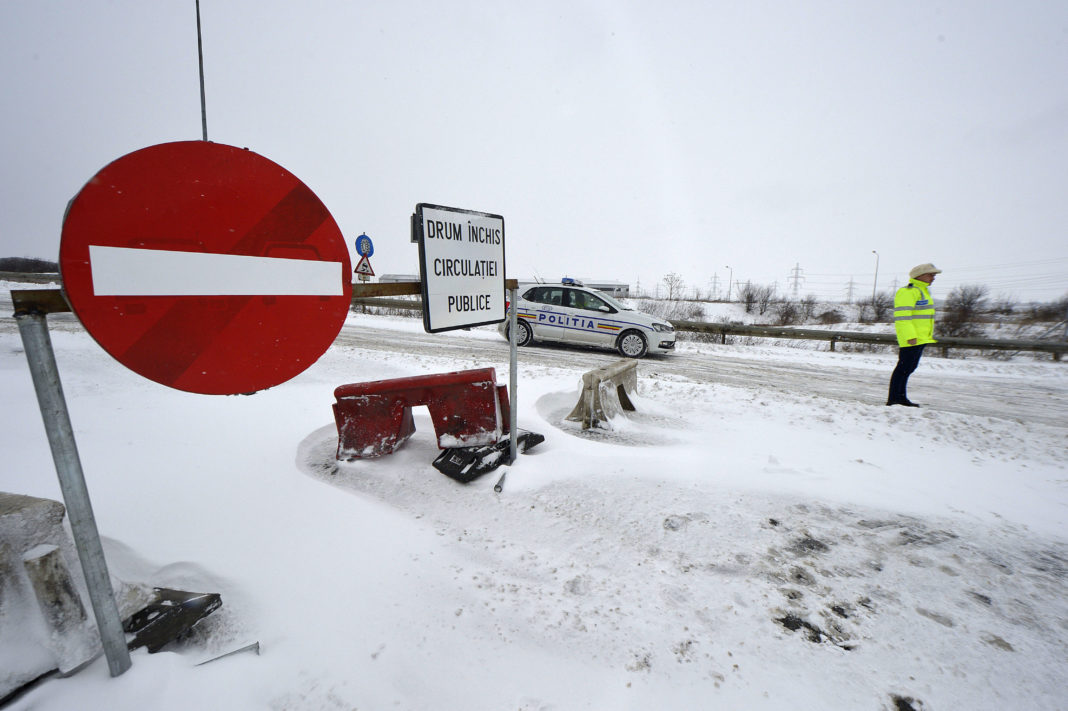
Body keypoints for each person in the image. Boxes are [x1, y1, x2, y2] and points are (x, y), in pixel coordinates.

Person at [887, 263, 942, 407]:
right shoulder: (908, 292)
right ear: (920, 275)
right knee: (903, 368)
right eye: (931, 275)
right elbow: (903, 317)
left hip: (920, 338)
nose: (933, 278)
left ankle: (900, 398)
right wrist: (910, 336)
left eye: (934, 275)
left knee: (908, 368)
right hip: (912, 339)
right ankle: (895, 399)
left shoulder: (922, 291)